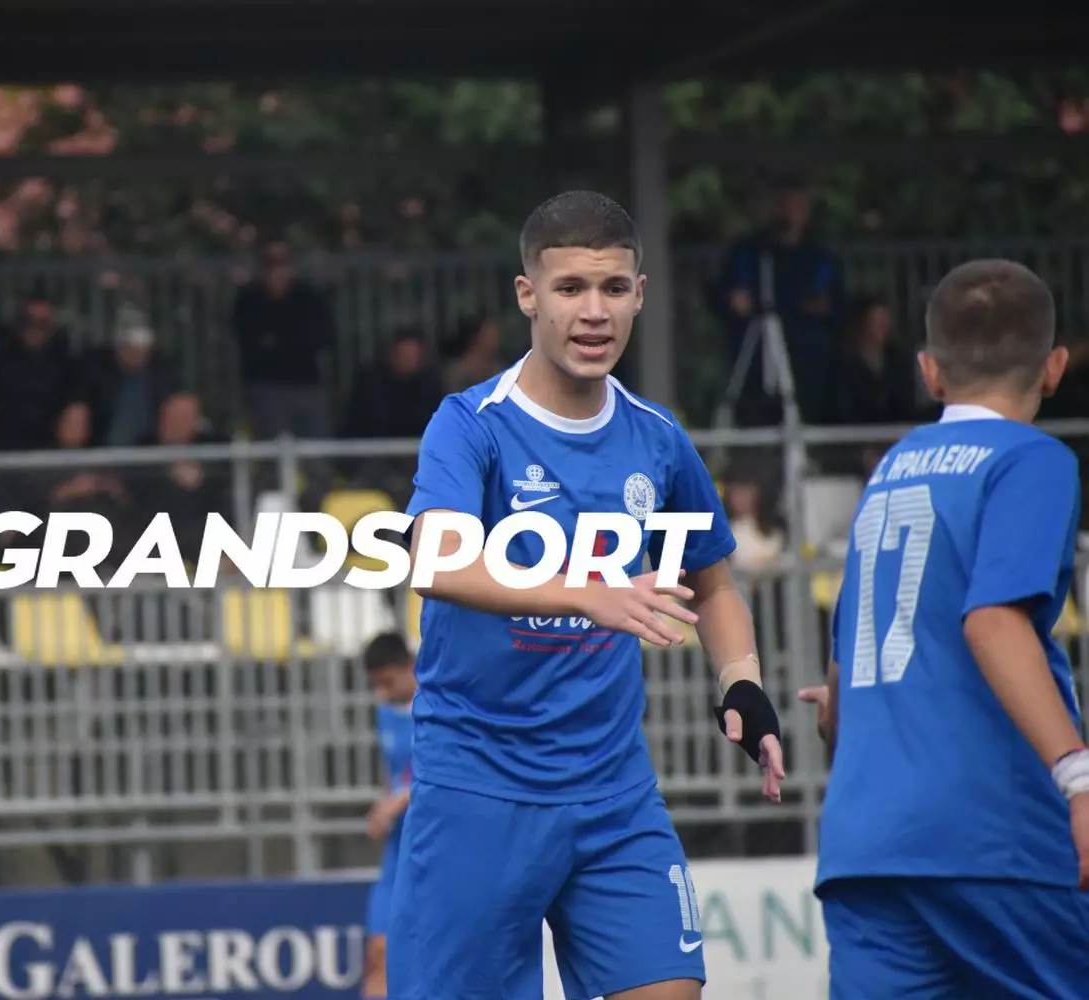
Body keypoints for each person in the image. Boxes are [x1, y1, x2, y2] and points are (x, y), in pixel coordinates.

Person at [389, 190, 787, 1000]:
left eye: (611, 288)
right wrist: (587, 593)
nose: (593, 311)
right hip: (480, 789)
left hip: (615, 793)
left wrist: (741, 682)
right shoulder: (471, 424)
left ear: (640, 294)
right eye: (570, 287)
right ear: (528, 295)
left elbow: (713, 584)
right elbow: (436, 561)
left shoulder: (658, 437)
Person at [797, 259, 1089, 1000]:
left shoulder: (892, 470)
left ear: (929, 371)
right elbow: (993, 620)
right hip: (996, 838)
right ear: (1054, 366)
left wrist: (851, 709)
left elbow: (842, 678)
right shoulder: (1032, 460)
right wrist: (1079, 779)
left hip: (867, 845)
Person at [360, 631, 416, 1000]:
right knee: (378, 952)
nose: (381, 693)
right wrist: (386, 803)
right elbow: (396, 774)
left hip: (435, 846)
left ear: (409, 667)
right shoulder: (385, 714)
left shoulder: (441, 707)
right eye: (375, 685)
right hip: (398, 849)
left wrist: (399, 801)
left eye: (387, 683)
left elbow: (442, 772)